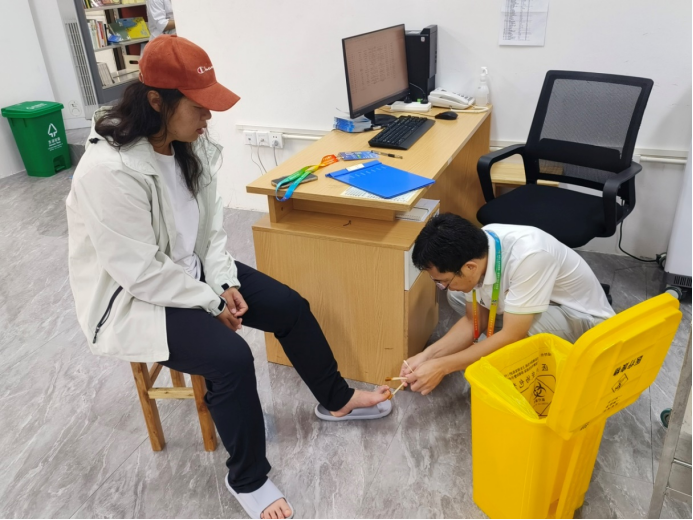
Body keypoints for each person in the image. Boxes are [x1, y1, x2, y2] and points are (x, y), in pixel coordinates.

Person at [66, 35, 392, 520]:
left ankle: (337, 400)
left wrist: (223, 282)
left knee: (290, 307)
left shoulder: (189, 146)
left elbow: (210, 229)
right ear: (156, 101)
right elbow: (139, 272)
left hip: (192, 272)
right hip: (136, 297)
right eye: (198, 107)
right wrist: (212, 302)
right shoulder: (107, 171)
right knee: (231, 360)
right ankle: (248, 479)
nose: (208, 117)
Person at [401, 214, 615, 395]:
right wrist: (427, 356)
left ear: (470, 267)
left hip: (583, 320)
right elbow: (472, 321)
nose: (443, 286)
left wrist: (442, 366)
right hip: (541, 305)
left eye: (444, 281)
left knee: (525, 333)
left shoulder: (531, 256)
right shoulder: (480, 246)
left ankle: (537, 359)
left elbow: (513, 335)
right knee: (457, 296)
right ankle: (498, 343)